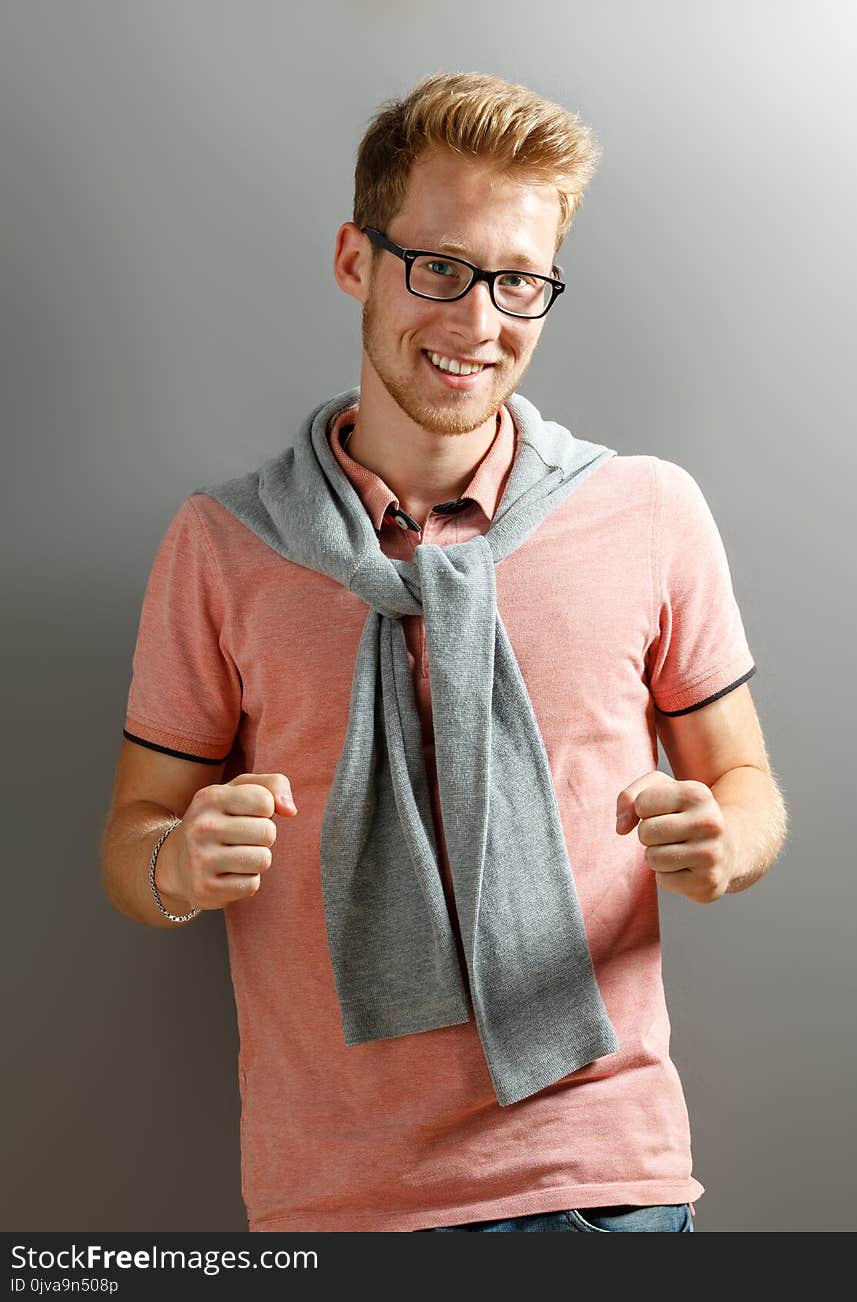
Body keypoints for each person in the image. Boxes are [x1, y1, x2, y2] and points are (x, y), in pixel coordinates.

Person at [101, 72, 787, 1234]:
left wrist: (726, 845)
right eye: (442, 269)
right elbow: (134, 837)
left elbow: (749, 789)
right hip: (338, 1200)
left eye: (519, 281)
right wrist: (177, 863)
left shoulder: (647, 511)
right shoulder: (223, 545)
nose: (479, 323)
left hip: (605, 1182)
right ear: (355, 260)